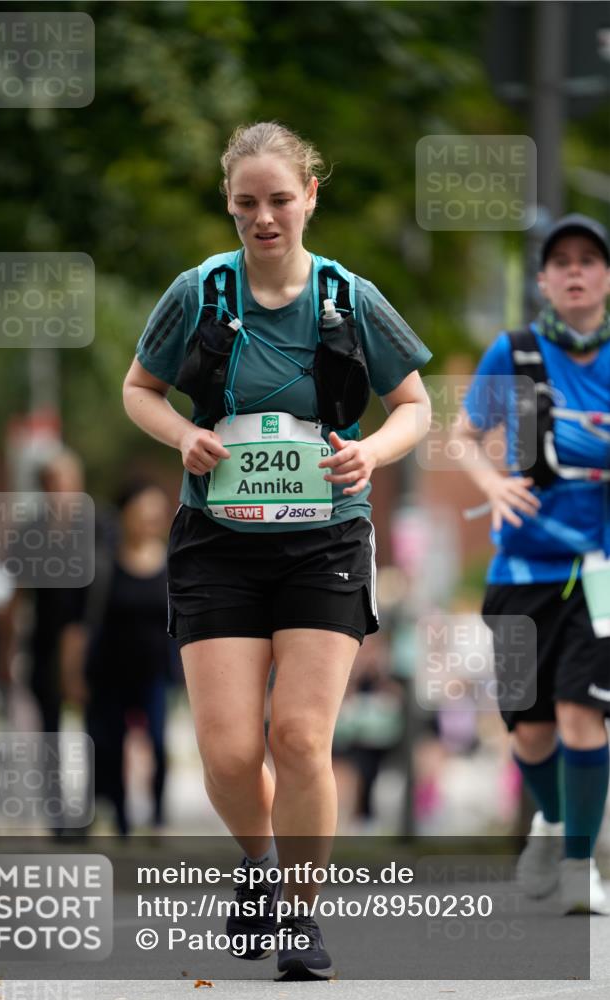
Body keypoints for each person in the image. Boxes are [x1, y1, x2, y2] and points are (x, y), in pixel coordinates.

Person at [123, 121, 432, 979]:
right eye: (246, 203)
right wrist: (183, 433)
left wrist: (371, 450)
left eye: (279, 200)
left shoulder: (349, 296)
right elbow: (139, 389)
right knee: (228, 752)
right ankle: (259, 866)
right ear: (228, 204)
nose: (264, 218)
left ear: (309, 198)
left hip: (325, 539)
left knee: (298, 736)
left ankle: (300, 918)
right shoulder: (196, 293)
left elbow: (414, 406)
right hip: (218, 540)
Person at [452, 213, 610, 914]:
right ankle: (547, 820)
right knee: (529, 726)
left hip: (601, 572)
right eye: (561, 262)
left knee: (582, 714)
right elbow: (461, 436)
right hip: (520, 569)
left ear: (605, 277)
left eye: (589, 260)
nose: (575, 271)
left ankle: (580, 867)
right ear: (543, 280)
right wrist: (491, 485)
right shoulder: (514, 354)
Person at [83, 478, 179, 835]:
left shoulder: (173, 562)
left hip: (155, 671)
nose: (151, 520)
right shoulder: (105, 564)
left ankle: (157, 815)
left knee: (157, 741)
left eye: (156, 513)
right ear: (125, 516)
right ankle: (121, 817)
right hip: (111, 671)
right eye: (143, 512)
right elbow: (88, 621)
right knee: (113, 746)